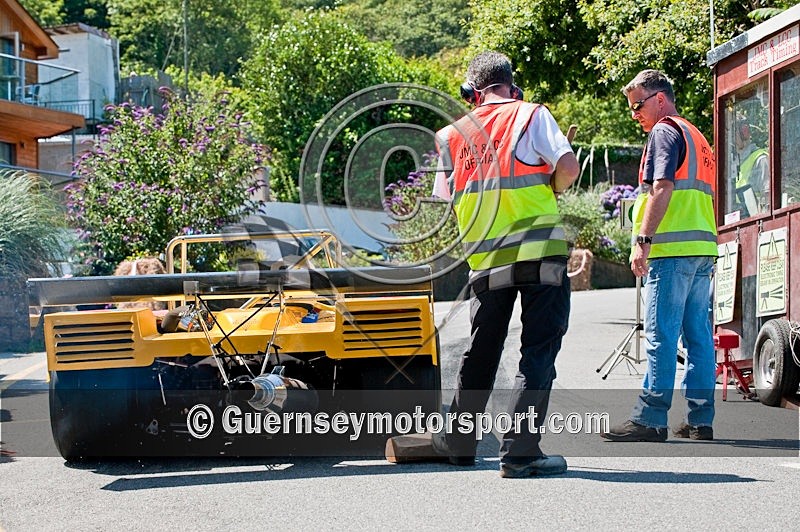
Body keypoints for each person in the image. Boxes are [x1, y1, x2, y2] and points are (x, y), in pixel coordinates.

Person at [431, 51, 579, 477]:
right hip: (539, 253)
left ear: (473, 93)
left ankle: (459, 444)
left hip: (487, 258)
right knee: (537, 349)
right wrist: (552, 184)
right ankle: (519, 451)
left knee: (481, 350)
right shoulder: (531, 115)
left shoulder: (450, 135)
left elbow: (449, 196)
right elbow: (567, 167)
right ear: (510, 85)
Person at [601, 69, 717, 443]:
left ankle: (650, 419)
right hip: (701, 249)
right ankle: (700, 421)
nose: (635, 114)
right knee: (698, 338)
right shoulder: (696, 135)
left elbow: (662, 187)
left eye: (638, 106)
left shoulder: (664, 131)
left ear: (660, 99)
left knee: (660, 336)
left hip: (671, 251)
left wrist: (642, 240)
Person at [733, 120, 769, 217]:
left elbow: (769, 197)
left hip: (756, 221)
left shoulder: (760, 159)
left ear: (744, 131)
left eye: (733, 133)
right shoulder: (733, 167)